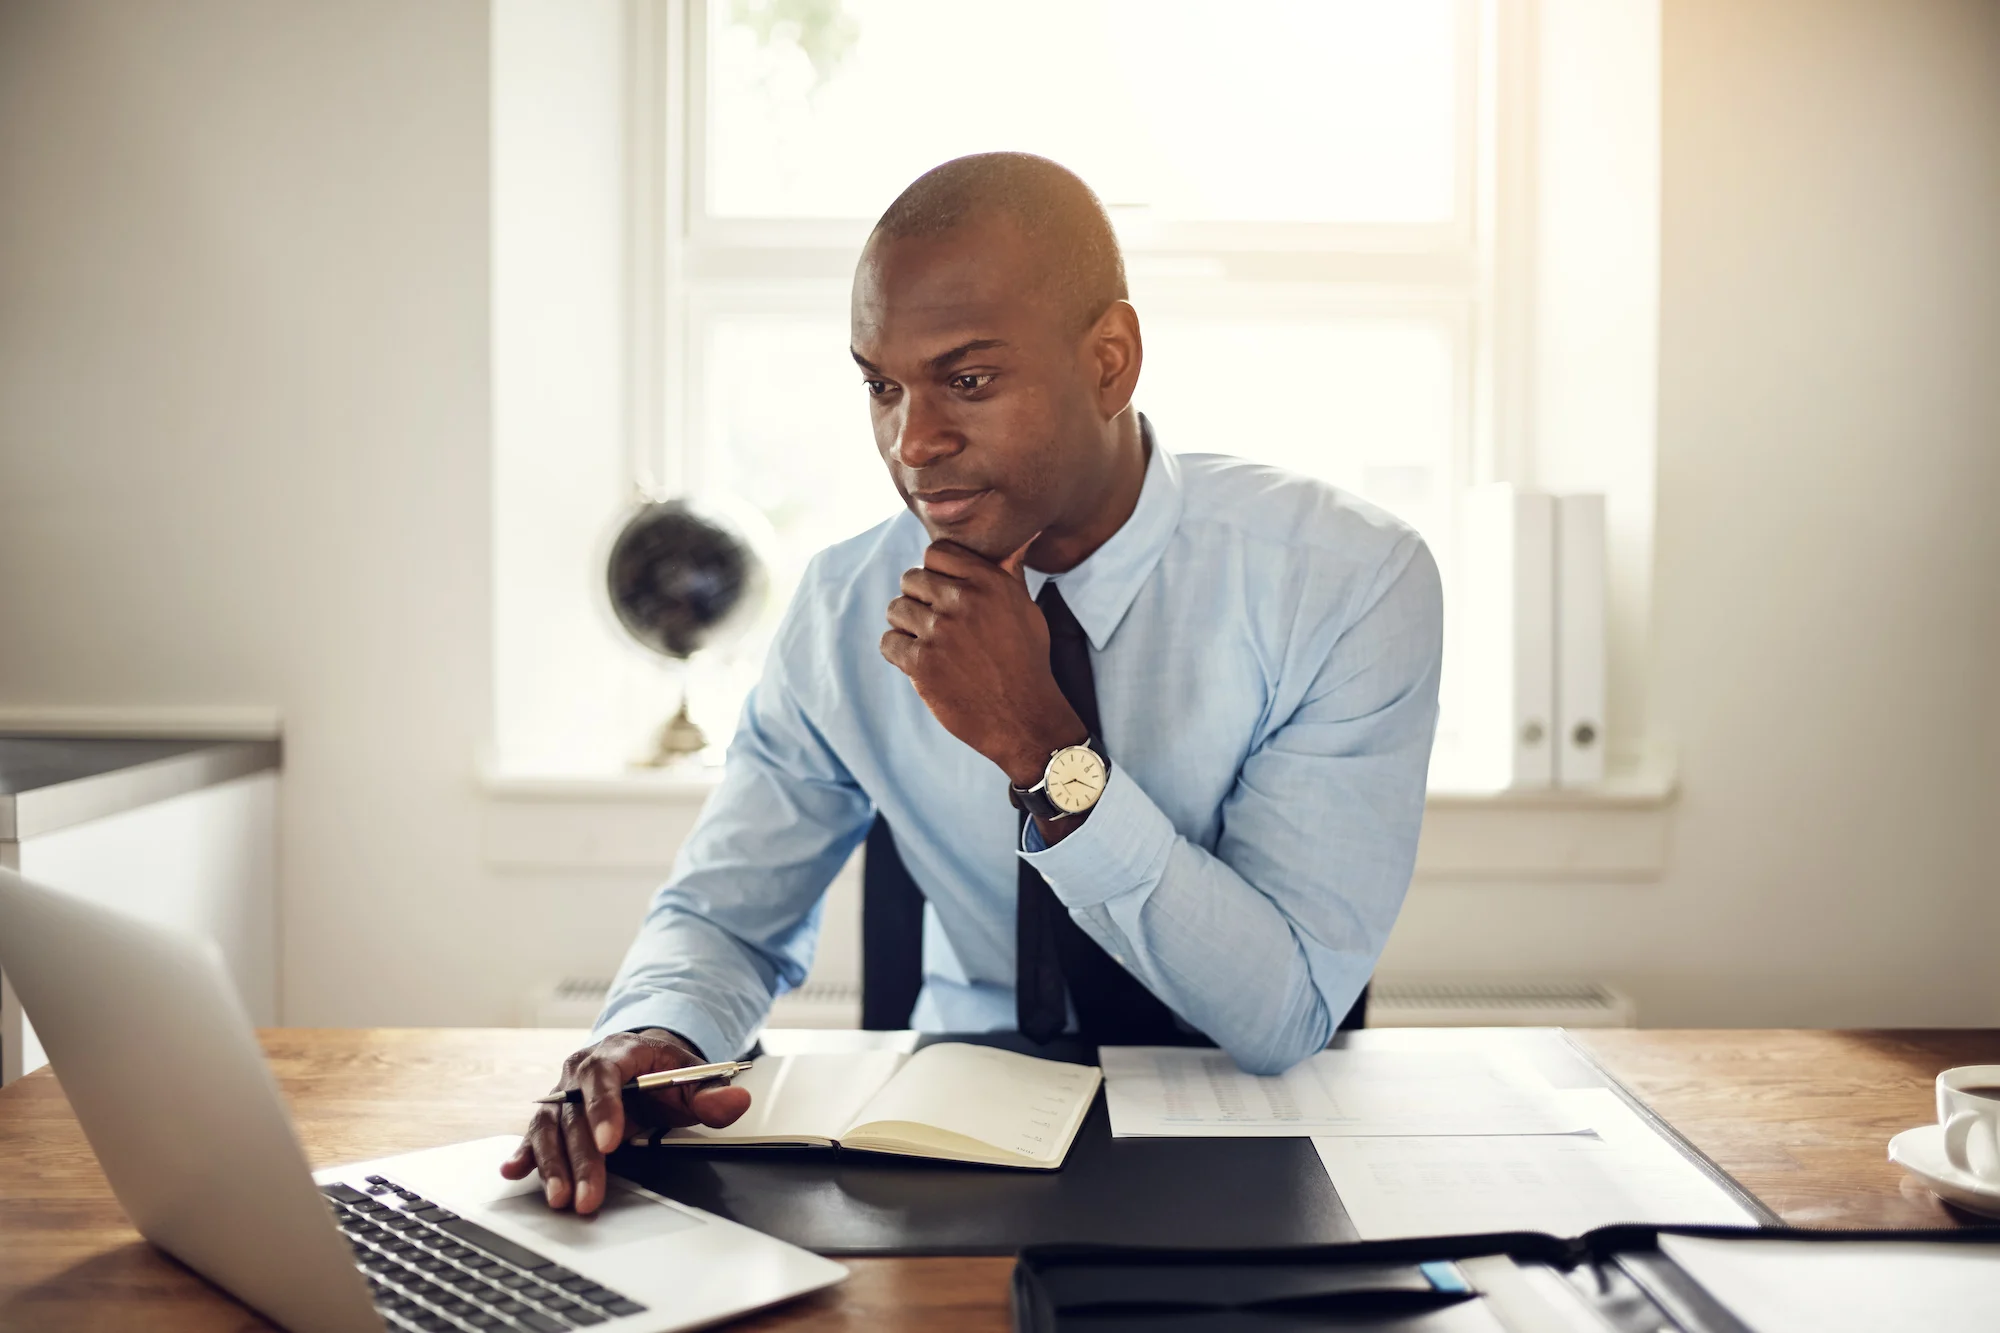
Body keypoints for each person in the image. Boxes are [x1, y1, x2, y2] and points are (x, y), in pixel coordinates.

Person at [504, 152, 1443, 1213]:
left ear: (1109, 361)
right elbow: (728, 916)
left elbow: (1279, 1015)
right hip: (944, 1146)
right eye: (880, 385)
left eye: (966, 380)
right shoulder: (840, 607)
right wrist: (654, 1035)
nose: (912, 442)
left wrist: (1045, 756)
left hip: (1260, 1148)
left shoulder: (1347, 581)